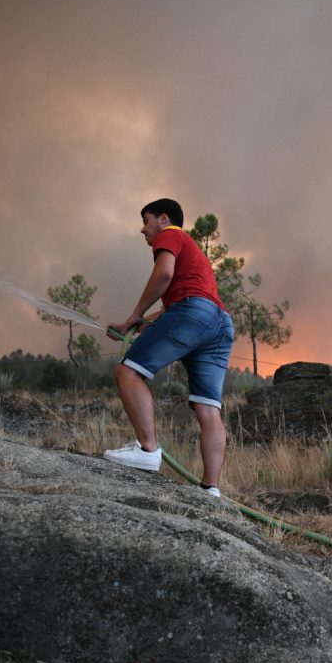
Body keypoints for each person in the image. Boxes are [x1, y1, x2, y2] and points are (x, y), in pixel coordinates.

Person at [103, 198, 235, 498]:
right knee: (208, 407)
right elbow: (175, 307)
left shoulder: (170, 234)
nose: (143, 230)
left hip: (194, 313)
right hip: (219, 323)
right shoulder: (193, 253)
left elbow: (163, 275)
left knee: (127, 372)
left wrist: (135, 314)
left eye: (146, 221)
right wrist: (137, 324)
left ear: (163, 219)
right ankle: (210, 489)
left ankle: (148, 451)